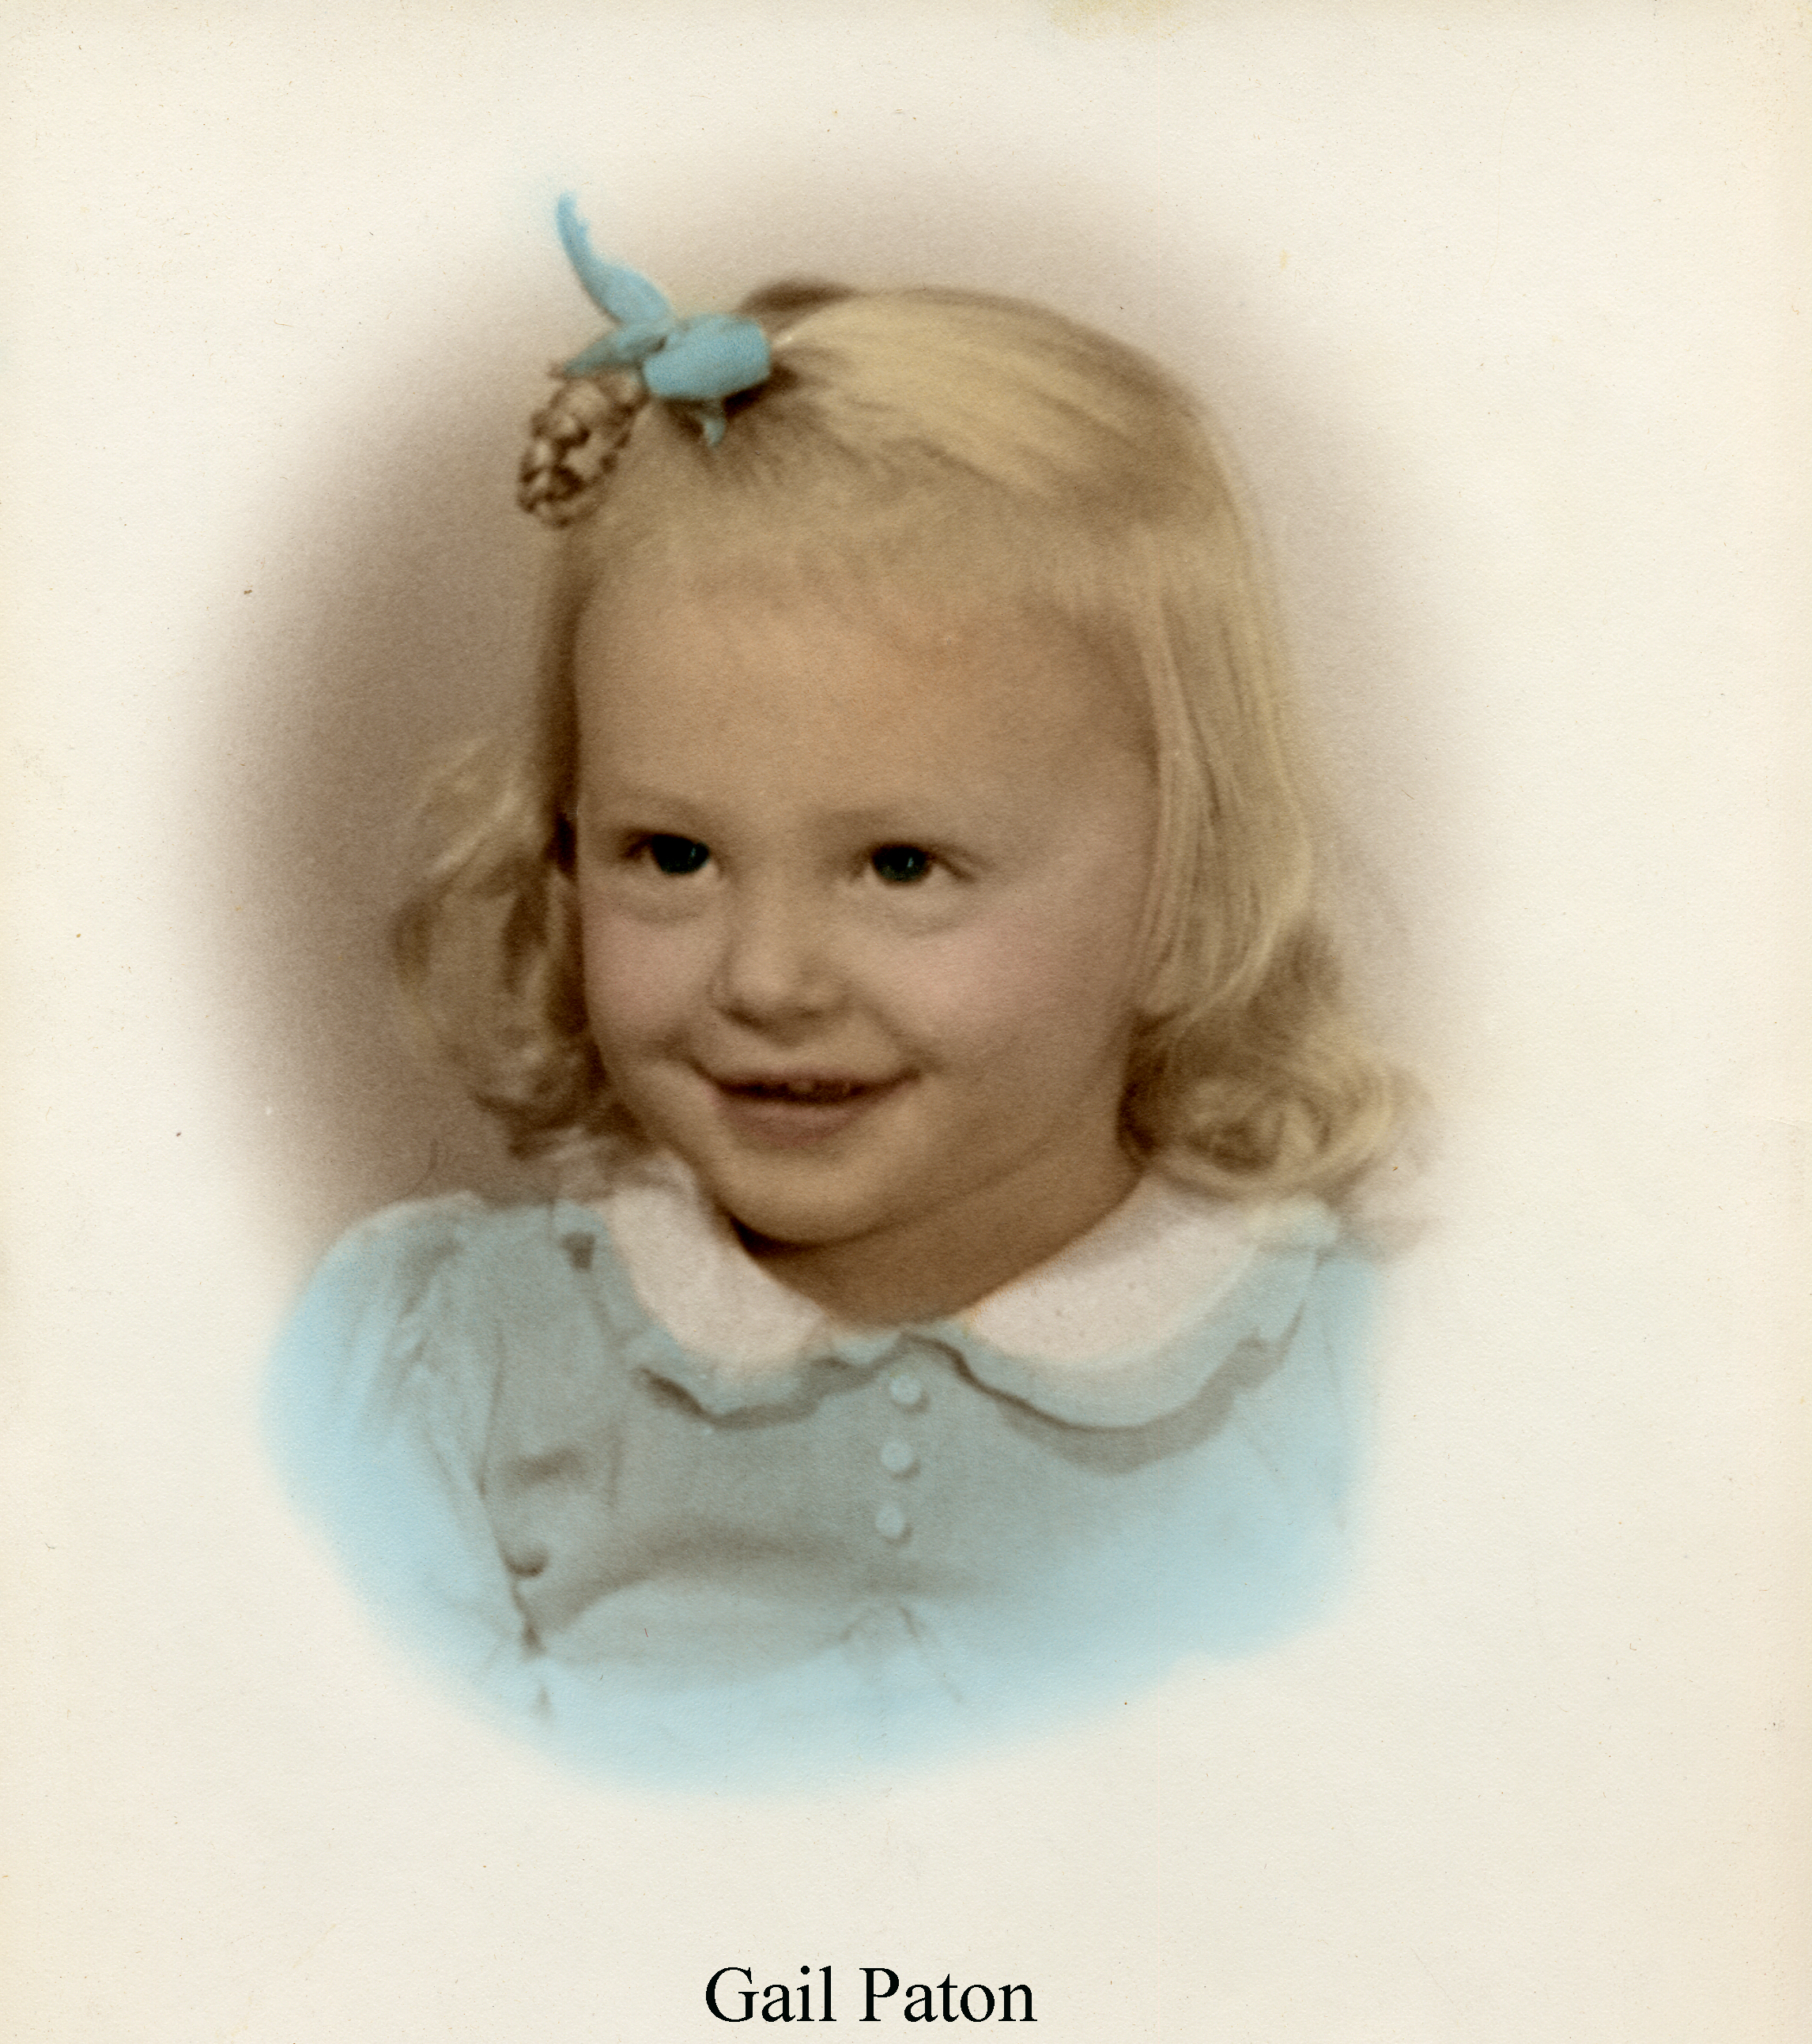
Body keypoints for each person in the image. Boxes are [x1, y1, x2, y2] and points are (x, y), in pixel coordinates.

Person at [268, 197, 1401, 1786]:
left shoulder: (1364, 1402)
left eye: (899, 867)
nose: (767, 979)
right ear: (559, 860)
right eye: (671, 857)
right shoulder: (443, 1371)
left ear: (1180, 900)